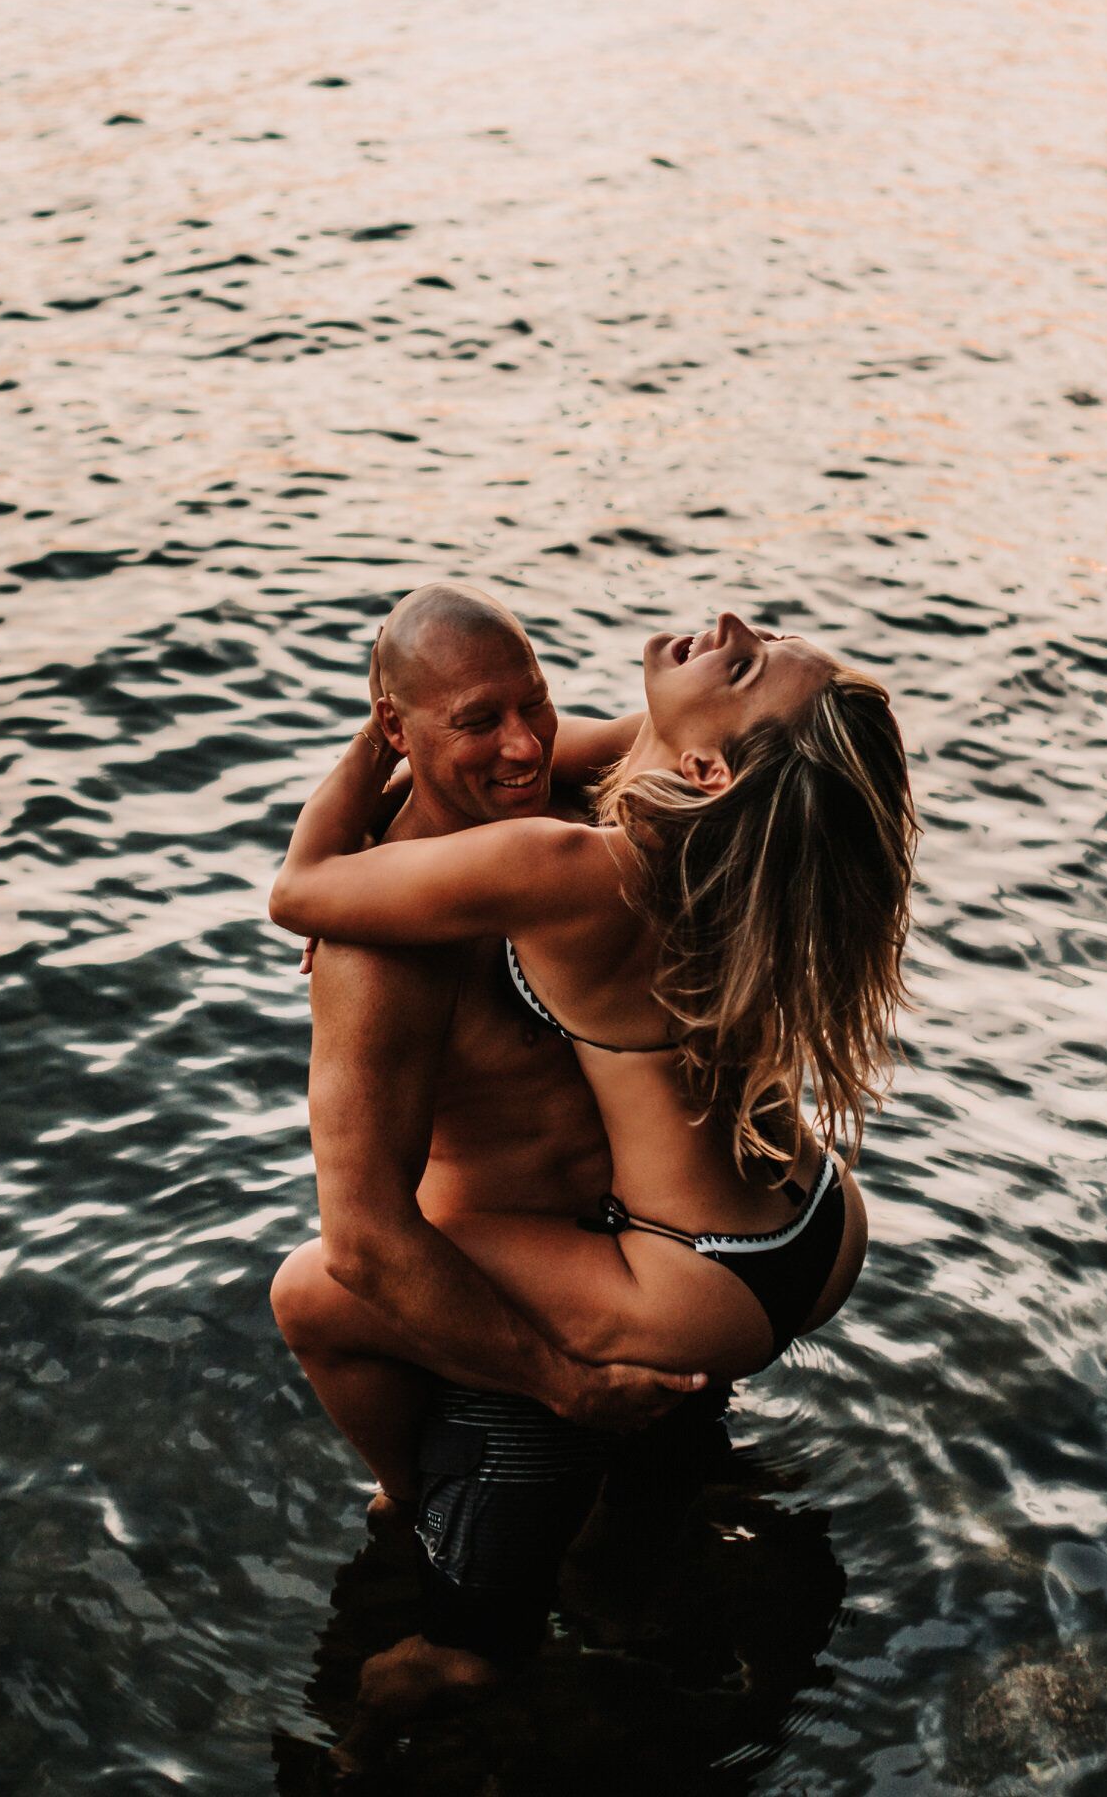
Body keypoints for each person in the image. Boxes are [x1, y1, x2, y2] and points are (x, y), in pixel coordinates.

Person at [269, 592, 917, 1682]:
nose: (729, 623)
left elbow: (301, 891)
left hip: (702, 1282)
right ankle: (630, 1565)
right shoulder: (718, 812)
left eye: (750, 665)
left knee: (309, 1293)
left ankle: (407, 1514)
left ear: (712, 767)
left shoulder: (572, 867)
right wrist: (418, 740)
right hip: (812, 1219)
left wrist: (385, 763)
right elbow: (546, 751)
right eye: (485, 720)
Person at [268, 584, 712, 1709]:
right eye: (476, 720)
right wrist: (564, 1386)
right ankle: (399, 1528)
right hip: (524, 1328)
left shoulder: (551, 783)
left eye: (537, 703)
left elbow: (690, 737)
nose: (521, 744)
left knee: (645, 1569)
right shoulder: (375, 947)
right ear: (396, 733)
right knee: (465, 1660)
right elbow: (362, 1241)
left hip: (649, 1273)